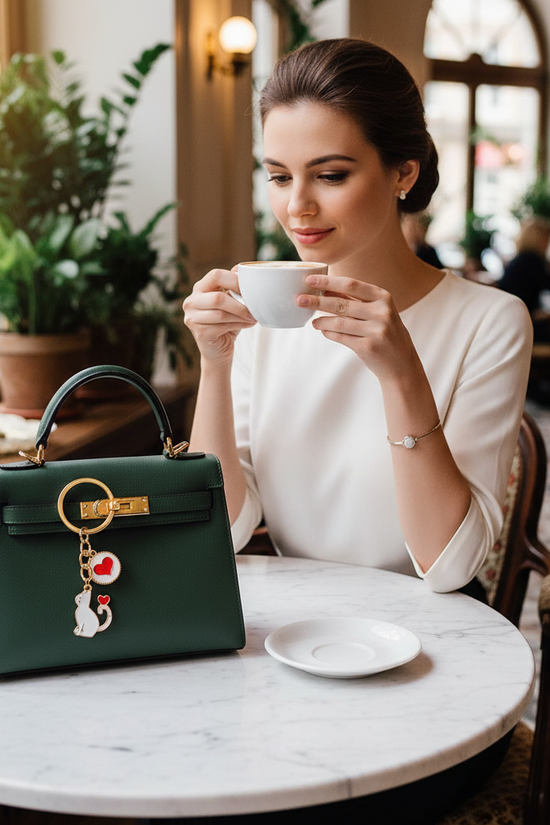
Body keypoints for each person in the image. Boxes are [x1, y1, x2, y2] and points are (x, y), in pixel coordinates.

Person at [182, 39, 532, 823]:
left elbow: (448, 566)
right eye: (278, 176)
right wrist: (215, 364)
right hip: (289, 657)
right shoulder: (271, 317)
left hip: (431, 683)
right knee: (171, 778)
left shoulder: (487, 322)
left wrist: (402, 375)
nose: (296, 207)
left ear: (403, 172)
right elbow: (226, 530)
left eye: (330, 175)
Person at [499, 216, 550, 341]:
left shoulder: (519, 260)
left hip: (510, 321)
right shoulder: (532, 262)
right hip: (522, 323)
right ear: (539, 239)